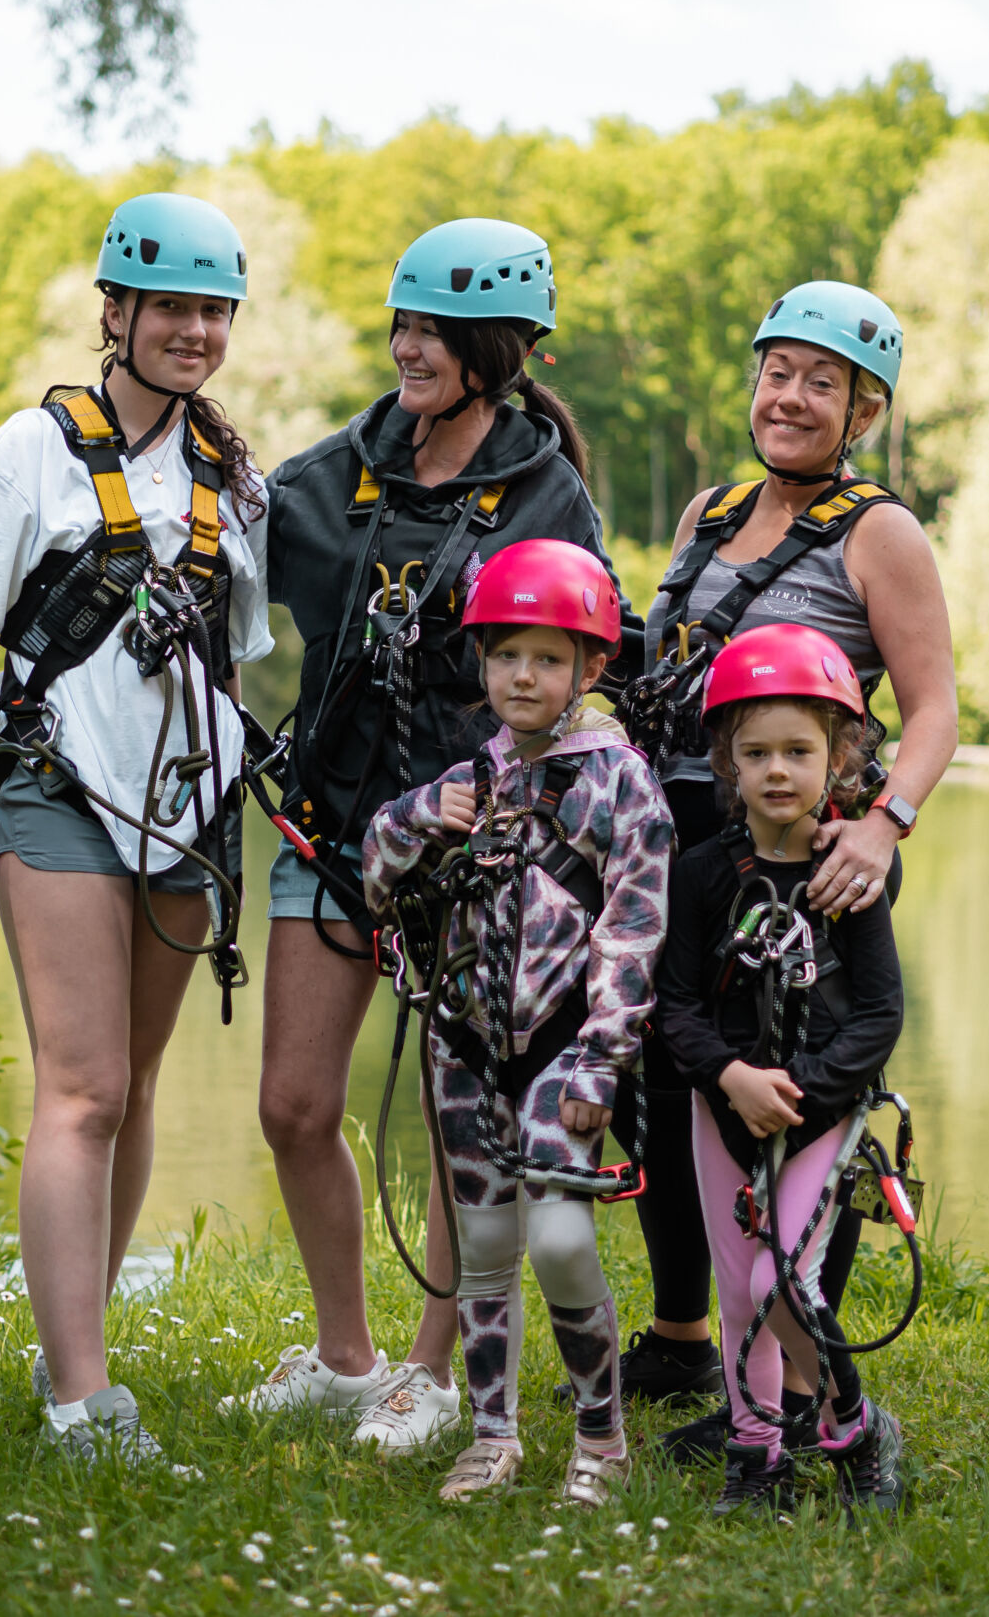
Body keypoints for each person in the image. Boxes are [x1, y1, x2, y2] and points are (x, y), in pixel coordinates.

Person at [235, 218, 625, 1451]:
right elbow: (223, 566)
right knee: (294, 1103)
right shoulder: (333, 472)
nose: (406, 347)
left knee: (466, 1124)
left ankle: (429, 1369)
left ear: (494, 350)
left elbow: (586, 655)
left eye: (433, 333)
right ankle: (343, 1355)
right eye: (399, 325)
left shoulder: (544, 493)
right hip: (335, 833)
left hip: (476, 851)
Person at [0, 192, 273, 1462]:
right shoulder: (27, 453)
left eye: (213, 311)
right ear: (113, 309)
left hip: (184, 810)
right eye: (170, 307)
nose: (194, 331)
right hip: (55, 792)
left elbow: (231, 660)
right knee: (84, 1085)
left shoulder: (231, 479)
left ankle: (77, 1342)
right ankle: (80, 1402)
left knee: (138, 1080)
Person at [618, 281, 955, 1457]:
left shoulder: (880, 532)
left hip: (807, 857)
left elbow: (933, 708)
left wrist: (883, 826)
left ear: (862, 412)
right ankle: (702, 1348)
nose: (791, 397)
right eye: (777, 373)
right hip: (689, 850)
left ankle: (809, 1393)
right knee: (677, 1088)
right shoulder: (707, 514)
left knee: (802, 1100)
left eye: (822, 383)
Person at [358, 539, 670, 1504]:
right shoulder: (471, 779)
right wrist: (419, 815)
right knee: (485, 1249)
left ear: (591, 666)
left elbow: (635, 927)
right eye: (504, 656)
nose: (522, 676)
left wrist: (604, 1058)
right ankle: (493, 1434)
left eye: (546, 657)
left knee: (563, 1239)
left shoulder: (620, 781)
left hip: (565, 1050)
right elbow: (376, 879)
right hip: (463, 1048)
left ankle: (602, 1435)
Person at [654, 623, 907, 1516]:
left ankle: (854, 1430)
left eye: (799, 751)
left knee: (780, 1283)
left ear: (839, 757)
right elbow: (674, 1005)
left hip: (816, 1112)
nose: (776, 771)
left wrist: (802, 1095)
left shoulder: (849, 876)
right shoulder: (700, 874)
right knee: (737, 1292)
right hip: (721, 1106)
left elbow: (879, 1013)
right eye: (756, 752)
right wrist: (730, 1077)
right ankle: (756, 1456)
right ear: (727, 760)